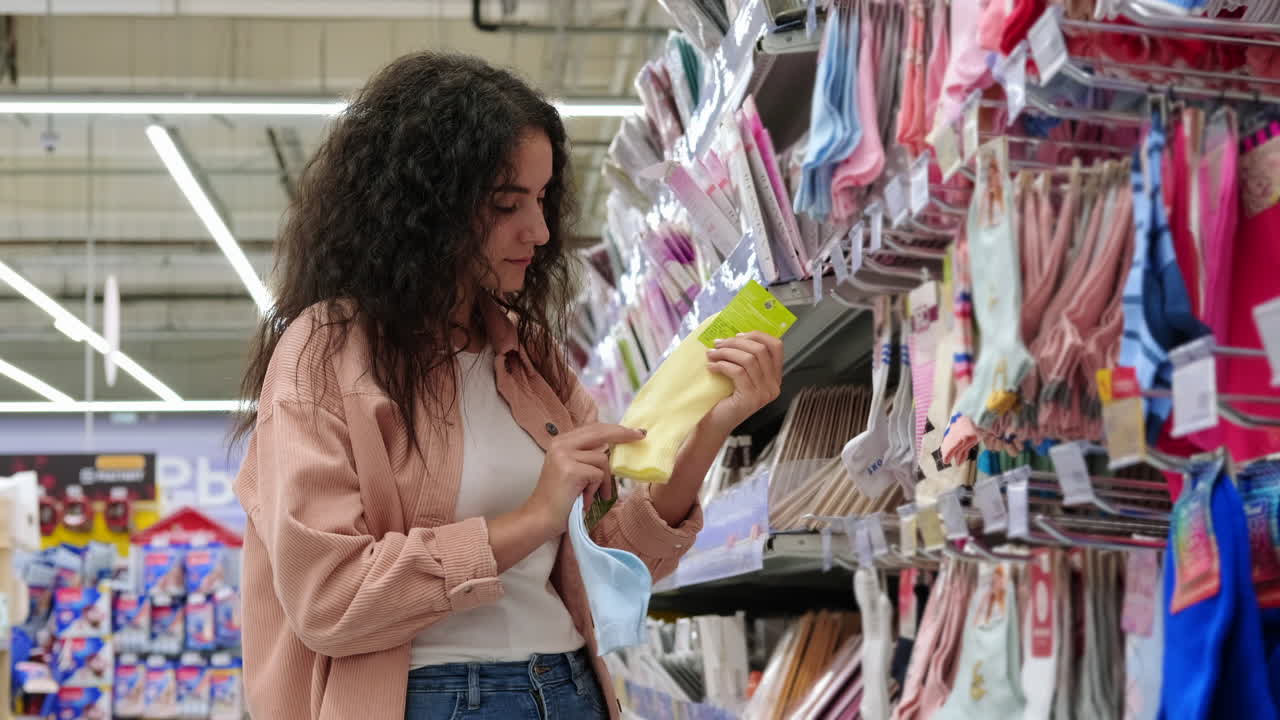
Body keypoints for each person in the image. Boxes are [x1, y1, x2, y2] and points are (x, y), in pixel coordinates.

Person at [231, 52, 783, 720]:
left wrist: (711, 429)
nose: (542, 231)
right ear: (422, 209)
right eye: (505, 204)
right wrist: (529, 521)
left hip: (570, 688)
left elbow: (611, 562)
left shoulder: (529, 356)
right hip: (429, 698)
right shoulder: (325, 354)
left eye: (543, 198)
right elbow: (329, 599)